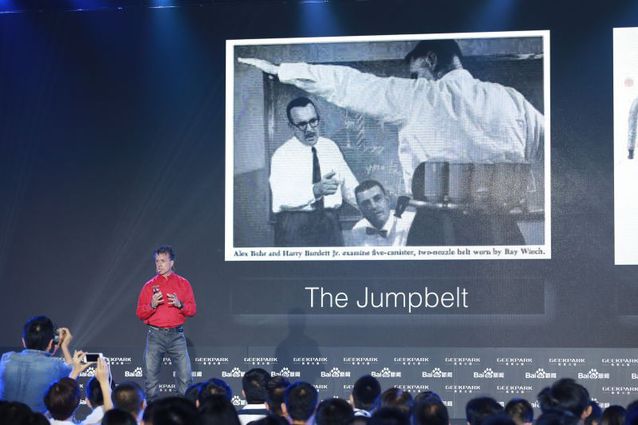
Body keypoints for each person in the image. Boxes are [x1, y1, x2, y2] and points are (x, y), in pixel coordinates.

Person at [239, 39, 544, 245]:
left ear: (431, 60)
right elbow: (547, 148)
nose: (414, 81)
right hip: (504, 231)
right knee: (504, 307)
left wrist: (283, 71)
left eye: (416, 74)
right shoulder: (514, 101)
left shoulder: (420, 96)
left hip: (439, 231)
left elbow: (351, 85)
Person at [269, 97, 359, 247]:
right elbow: (281, 197)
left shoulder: (330, 147)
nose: (309, 129)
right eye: (302, 124)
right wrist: (315, 190)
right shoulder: (282, 155)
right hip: (295, 228)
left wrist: (369, 207)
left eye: (313, 121)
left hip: (330, 226)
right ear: (291, 126)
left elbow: (349, 187)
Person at [136, 245, 196, 401]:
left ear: (171, 263)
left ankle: (184, 410)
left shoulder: (183, 284)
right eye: (157, 261)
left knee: (185, 378)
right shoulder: (149, 286)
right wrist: (152, 305)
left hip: (177, 335)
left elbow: (192, 310)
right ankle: (152, 412)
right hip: (155, 335)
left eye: (163, 261)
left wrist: (180, 305)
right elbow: (140, 313)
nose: (159, 264)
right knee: (150, 380)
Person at [0, 316, 74, 413]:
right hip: (37, 419)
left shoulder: (6, 358)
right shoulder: (55, 366)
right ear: (51, 343)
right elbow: (73, 372)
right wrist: (64, 346)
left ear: (23, 341)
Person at [349, 180, 415, 246]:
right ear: (360, 210)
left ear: (387, 200)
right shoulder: (357, 230)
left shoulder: (411, 222)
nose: (374, 206)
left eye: (377, 199)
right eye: (366, 203)